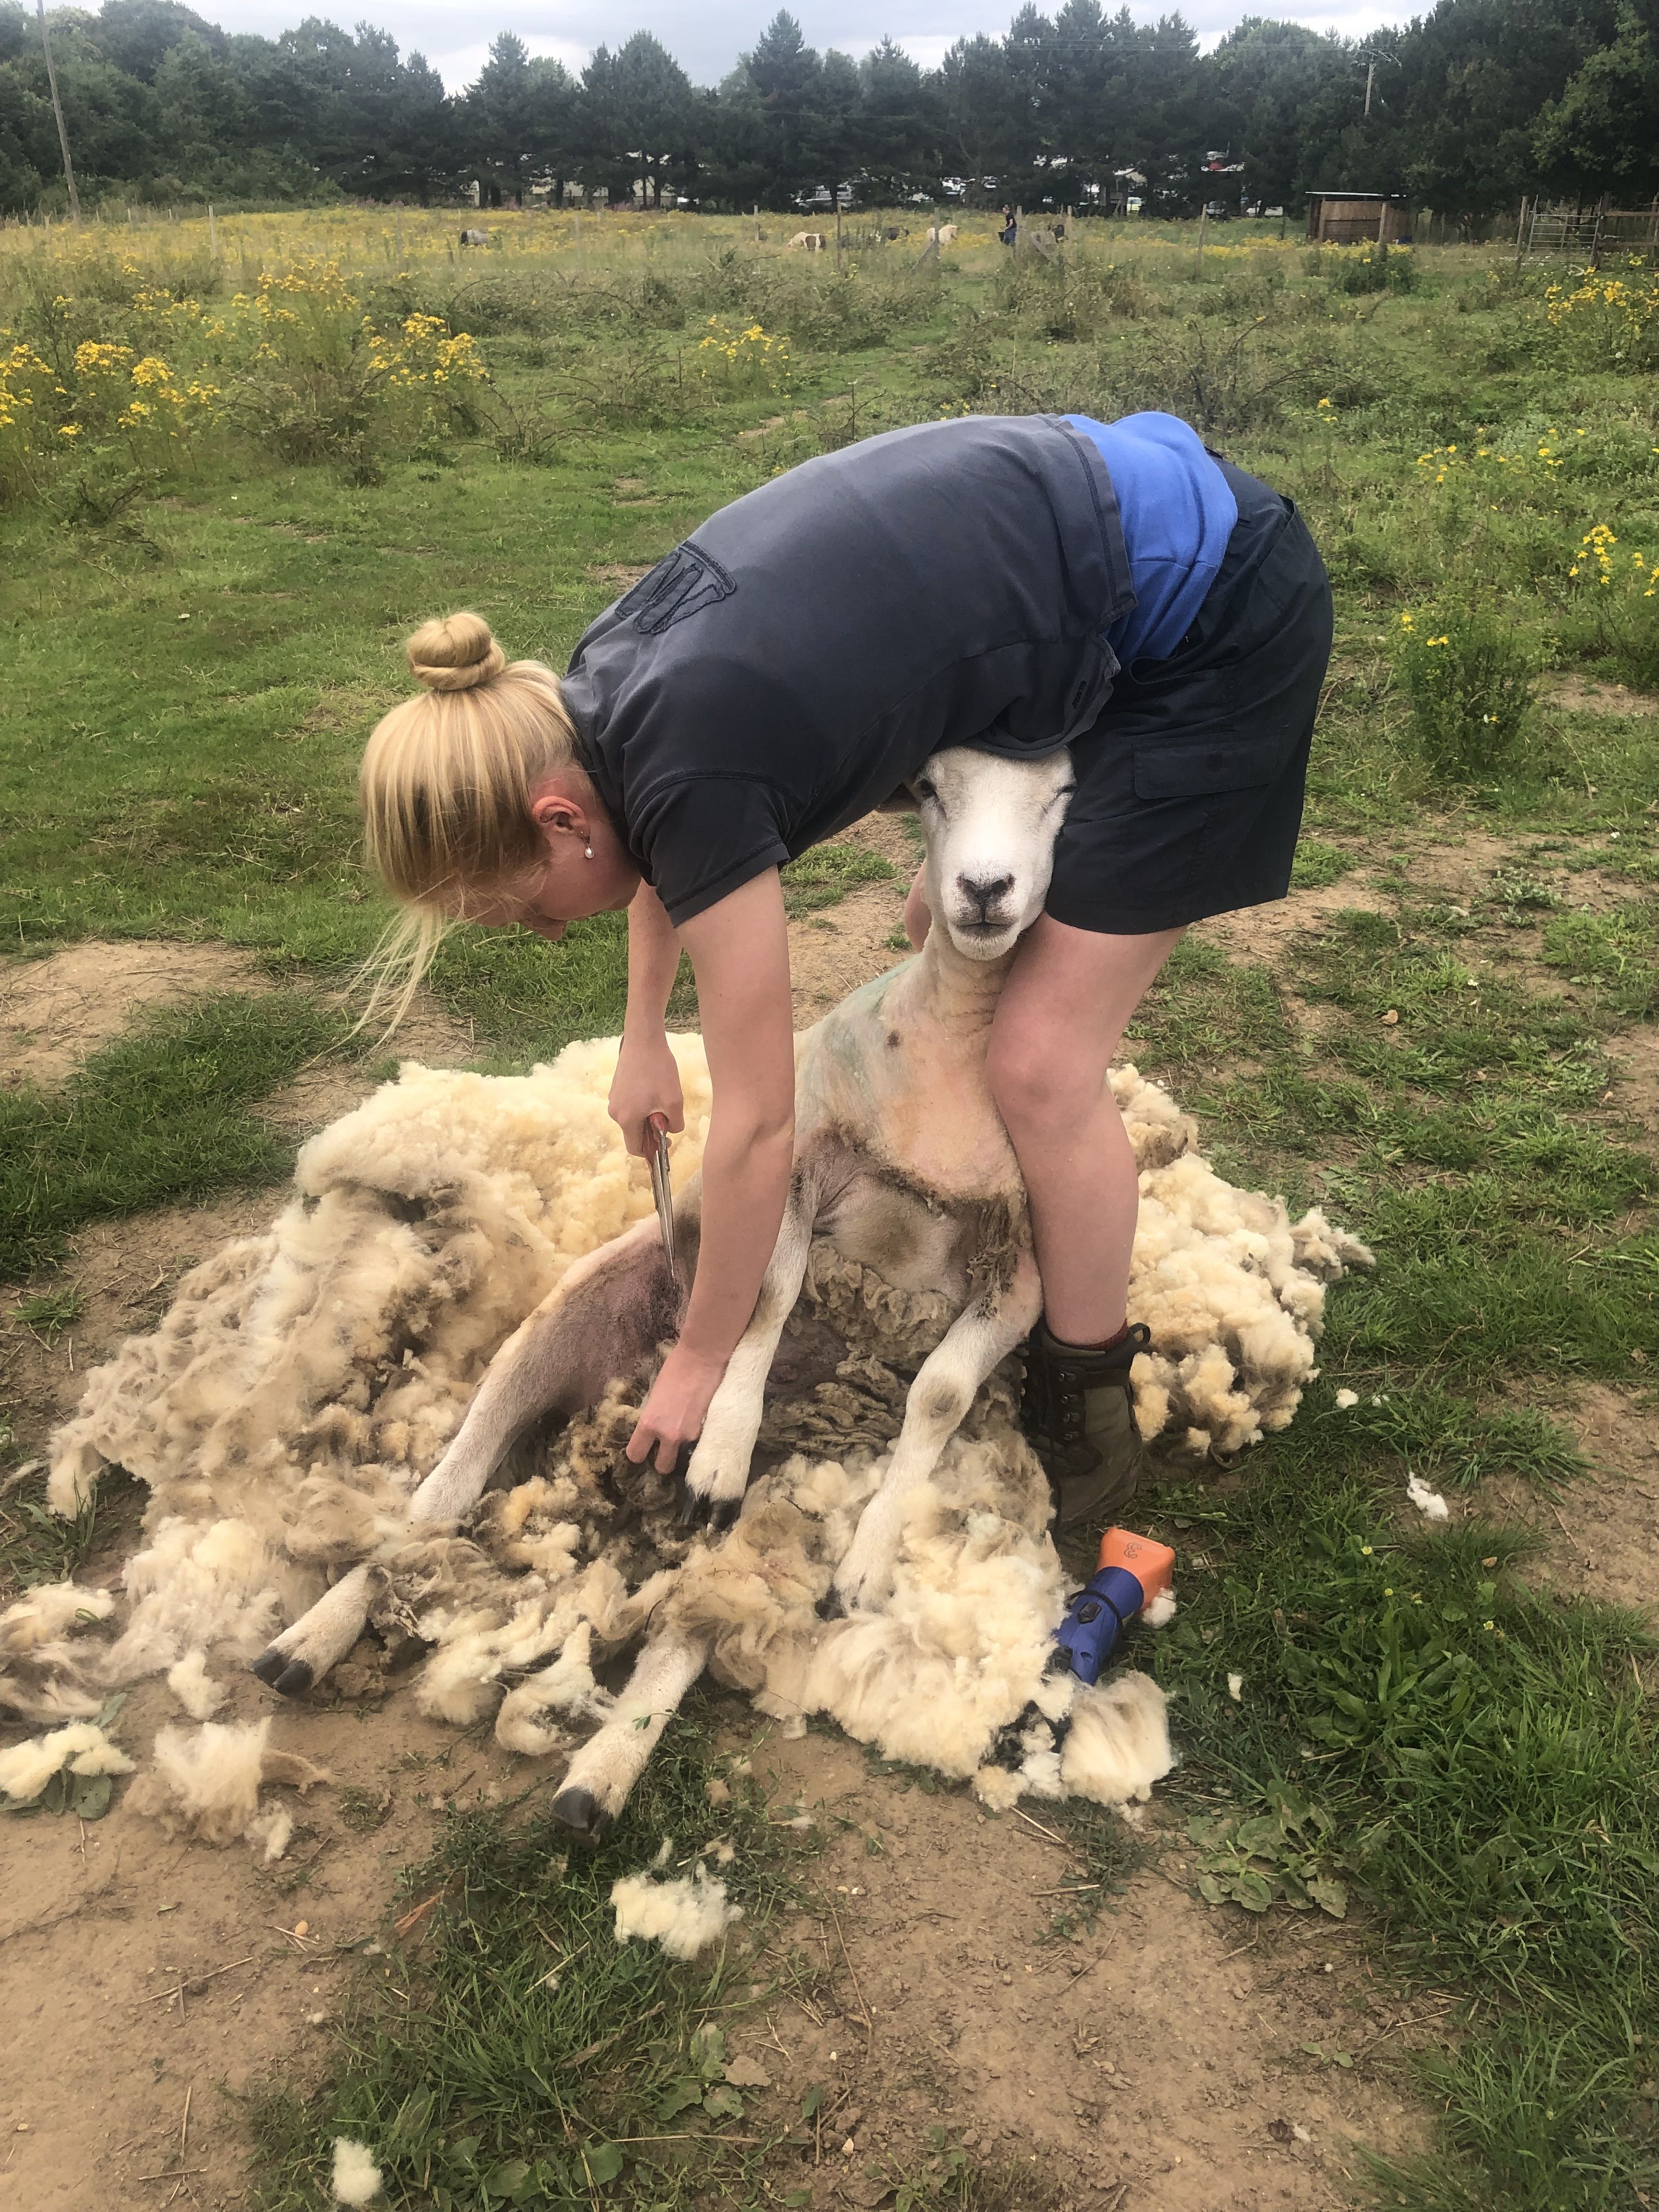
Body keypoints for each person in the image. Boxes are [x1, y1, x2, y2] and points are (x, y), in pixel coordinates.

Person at [357, 409, 1332, 1537]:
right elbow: (666, 840)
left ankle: (1087, 1395)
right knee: (945, 915)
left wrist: (703, 1360)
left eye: (521, 907)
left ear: (559, 818)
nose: (541, 933)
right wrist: (639, 1038)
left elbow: (762, 1127)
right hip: (1087, 538)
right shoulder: (592, 698)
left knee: (1041, 1064)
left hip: (1215, 605)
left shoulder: (692, 766)